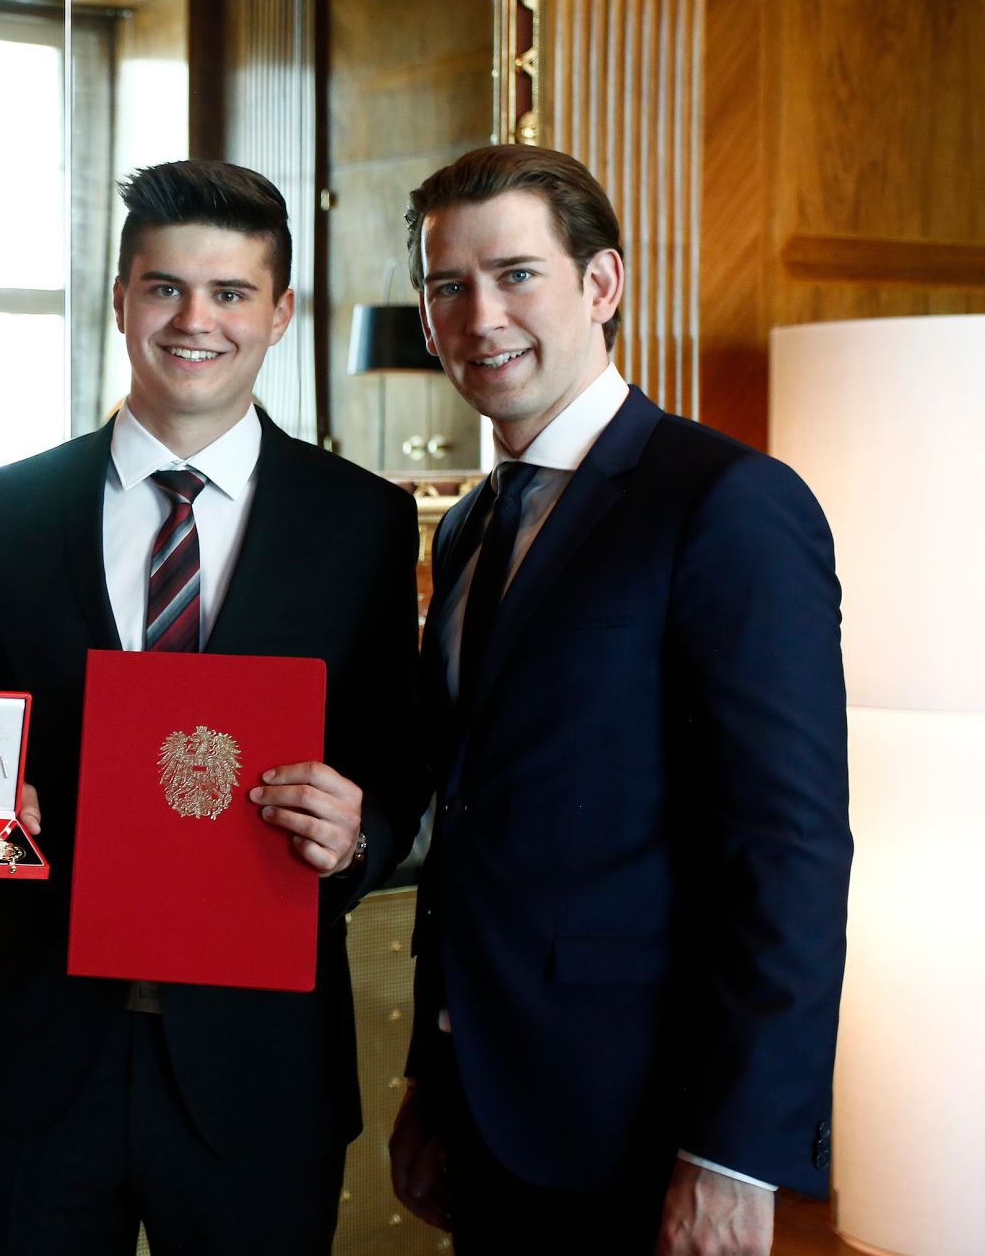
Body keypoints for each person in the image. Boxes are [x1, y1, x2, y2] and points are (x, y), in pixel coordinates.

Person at [0, 160, 424, 1253]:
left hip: (259, 1065)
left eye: (230, 293)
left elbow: (396, 762)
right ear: (119, 301)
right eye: (162, 289)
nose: (194, 320)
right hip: (38, 1048)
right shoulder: (15, 504)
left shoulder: (364, 523)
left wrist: (358, 833)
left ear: (279, 312)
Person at [385, 145, 850, 1255]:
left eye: (514, 275)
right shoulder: (467, 527)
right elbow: (474, 819)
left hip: (651, 1123)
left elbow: (784, 846)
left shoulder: (728, 503)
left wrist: (736, 1154)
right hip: (492, 1109)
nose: (479, 314)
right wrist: (434, 1076)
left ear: (600, 285)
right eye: (447, 285)